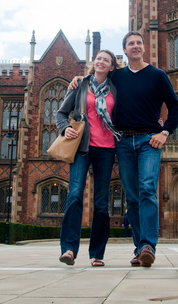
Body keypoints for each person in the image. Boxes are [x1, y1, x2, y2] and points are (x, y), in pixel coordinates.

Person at [69, 31, 178, 268]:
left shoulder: (158, 75)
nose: (136, 46)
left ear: (144, 47)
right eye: (131, 43)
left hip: (149, 141)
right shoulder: (117, 77)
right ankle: (140, 248)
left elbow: (174, 107)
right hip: (122, 142)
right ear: (125, 50)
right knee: (132, 197)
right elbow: (96, 80)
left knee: (148, 188)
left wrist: (165, 132)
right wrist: (79, 79)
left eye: (139, 43)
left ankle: (148, 245)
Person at [56, 49, 120, 267]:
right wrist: (65, 129)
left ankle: (97, 254)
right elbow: (61, 113)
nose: (101, 62)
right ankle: (69, 250)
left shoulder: (115, 89)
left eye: (106, 60)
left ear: (112, 67)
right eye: (99, 59)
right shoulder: (80, 85)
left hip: (107, 149)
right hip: (82, 147)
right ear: (94, 63)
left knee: (101, 203)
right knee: (74, 194)